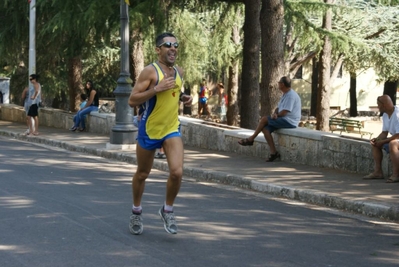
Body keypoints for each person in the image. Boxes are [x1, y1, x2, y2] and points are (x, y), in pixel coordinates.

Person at [128, 32, 192, 235]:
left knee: (177, 172)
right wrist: (156, 88)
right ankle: (136, 212)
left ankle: (167, 209)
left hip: (171, 129)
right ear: (158, 50)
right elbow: (132, 100)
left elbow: (174, 93)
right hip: (149, 130)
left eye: (175, 45)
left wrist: (183, 97)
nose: (173, 48)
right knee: (143, 174)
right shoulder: (150, 72)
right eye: (167, 45)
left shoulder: (179, 72)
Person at [238, 76, 301, 162]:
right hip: (283, 119)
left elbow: (285, 111)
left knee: (264, 119)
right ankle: (274, 152)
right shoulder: (285, 94)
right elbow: (279, 108)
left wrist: (277, 115)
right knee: (265, 129)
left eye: (279, 83)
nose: (278, 84)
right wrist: (275, 113)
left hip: (290, 121)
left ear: (282, 84)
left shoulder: (291, 96)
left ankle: (251, 139)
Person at [363, 95, 399, 183]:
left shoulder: (397, 114)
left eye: (378, 104)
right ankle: (378, 172)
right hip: (396, 138)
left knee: (393, 143)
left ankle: (396, 175)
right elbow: (384, 133)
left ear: (384, 105)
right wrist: (377, 140)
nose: (377, 107)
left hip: (397, 138)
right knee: (376, 144)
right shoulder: (386, 115)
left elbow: (398, 135)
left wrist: (383, 141)